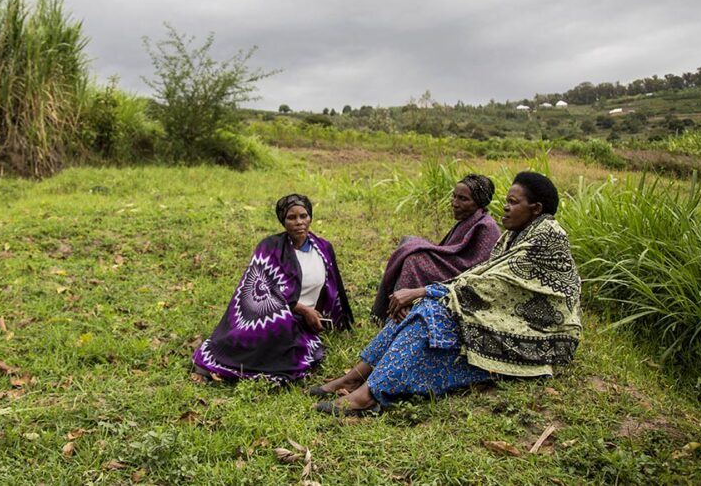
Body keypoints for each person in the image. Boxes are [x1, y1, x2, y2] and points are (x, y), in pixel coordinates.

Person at [312, 172, 581, 416]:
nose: (506, 207)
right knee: (426, 309)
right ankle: (357, 377)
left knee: (430, 308)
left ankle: (368, 394)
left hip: (539, 333)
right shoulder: (517, 234)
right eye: (506, 200)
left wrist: (424, 290)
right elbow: (481, 275)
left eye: (513, 202)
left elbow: (492, 284)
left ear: (535, 209)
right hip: (504, 316)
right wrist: (427, 292)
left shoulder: (546, 237)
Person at [192, 194, 353, 383]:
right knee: (267, 329)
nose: (299, 222)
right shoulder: (270, 247)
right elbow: (256, 290)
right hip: (270, 313)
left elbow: (331, 287)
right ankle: (216, 364)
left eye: (303, 216)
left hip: (304, 319)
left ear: (310, 217)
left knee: (291, 346)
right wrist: (302, 309)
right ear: (283, 221)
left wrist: (321, 315)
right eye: (291, 218)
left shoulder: (323, 248)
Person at [371, 174, 501, 322]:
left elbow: (475, 268)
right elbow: (451, 252)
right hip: (453, 269)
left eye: (463, 199)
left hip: (463, 282)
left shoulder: (487, 227)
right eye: (454, 197)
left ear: (479, 202)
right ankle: (398, 307)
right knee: (410, 244)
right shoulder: (469, 220)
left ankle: (399, 309)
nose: (454, 203)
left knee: (414, 260)